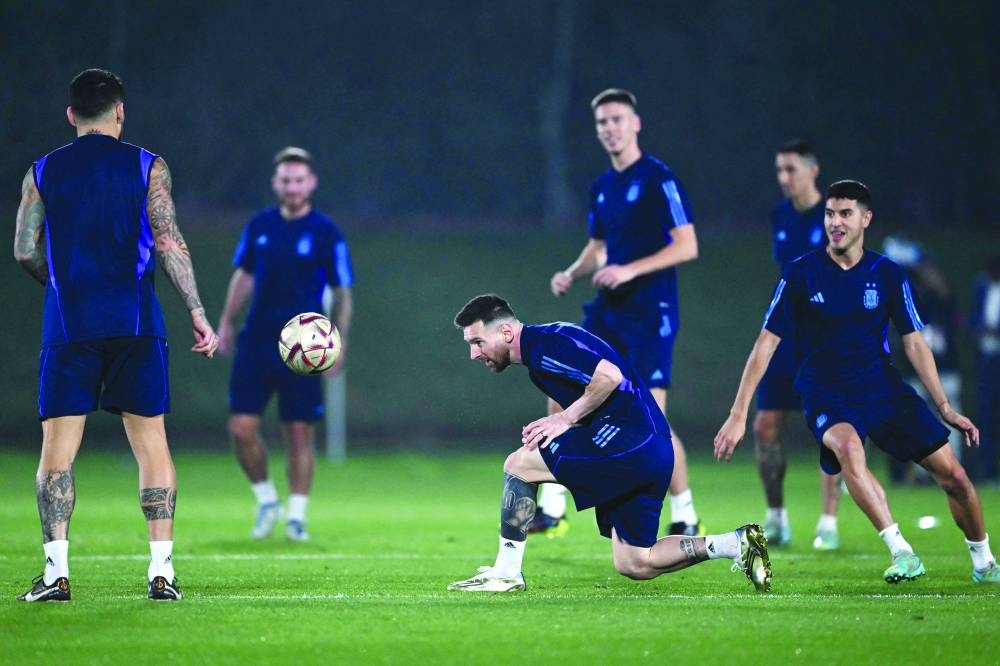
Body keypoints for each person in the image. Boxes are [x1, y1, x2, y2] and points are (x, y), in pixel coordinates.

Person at [714, 180, 999, 585]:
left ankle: (984, 562)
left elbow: (915, 344)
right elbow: (765, 344)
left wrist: (945, 407)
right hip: (824, 392)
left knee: (955, 477)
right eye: (830, 214)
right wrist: (738, 413)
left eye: (845, 214)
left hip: (882, 388)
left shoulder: (887, 273)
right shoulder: (801, 273)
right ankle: (902, 552)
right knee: (849, 450)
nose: (835, 222)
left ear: (866, 219)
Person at [14, 69, 219, 602]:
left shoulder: (42, 171)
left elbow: (24, 250)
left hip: (69, 324)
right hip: (136, 322)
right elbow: (169, 243)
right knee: (152, 443)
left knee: (58, 451)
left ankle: (56, 574)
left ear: (71, 114)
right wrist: (197, 310)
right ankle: (161, 573)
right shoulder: (149, 166)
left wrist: (60, 284)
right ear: (120, 111)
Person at [449, 294, 770, 593]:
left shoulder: (545, 345)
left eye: (478, 342)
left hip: (629, 441)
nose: (474, 354)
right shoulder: (543, 349)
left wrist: (565, 419)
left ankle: (506, 572)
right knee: (635, 562)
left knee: (519, 465)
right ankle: (734, 543)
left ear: (506, 332)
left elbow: (609, 376)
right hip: (653, 448)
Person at [543, 88, 702, 538]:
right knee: (559, 378)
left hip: (651, 313)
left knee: (651, 421)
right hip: (608, 313)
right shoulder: (602, 187)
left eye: (617, 119)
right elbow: (598, 247)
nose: (609, 128)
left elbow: (687, 245)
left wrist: (629, 270)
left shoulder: (659, 179)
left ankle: (686, 512)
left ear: (635, 124)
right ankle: (552, 505)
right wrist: (572, 273)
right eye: (602, 122)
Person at [217, 147, 353, 542]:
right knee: (241, 428)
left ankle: (296, 516)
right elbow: (245, 275)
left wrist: (339, 341)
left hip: (304, 348)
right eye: (285, 180)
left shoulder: (326, 231)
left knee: (298, 432)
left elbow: (342, 291)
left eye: (299, 180)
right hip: (257, 341)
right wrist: (226, 321)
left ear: (311, 183)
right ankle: (266, 501)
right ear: (275, 184)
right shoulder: (259, 226)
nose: (292, 187)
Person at [756, 141, 842, 549]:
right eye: (779, 169)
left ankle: (828, 522)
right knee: (765, 425)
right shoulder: (780, 215)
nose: (783, 177)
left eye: (790, 169)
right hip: (786, 337)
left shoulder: (834, 217)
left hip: (823, 340)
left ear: (813, 170)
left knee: (829, 429)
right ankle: (776, 518)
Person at [882, 236, 964, 484]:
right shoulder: (906, 294)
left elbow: (952, 317)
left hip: (944, 366)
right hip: (915, 368)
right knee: (915, 417)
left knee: (949, 414)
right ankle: (922, 472)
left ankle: (952, 468)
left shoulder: (940, 296)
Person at [970, 255, 1000, 485]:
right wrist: (979, 328)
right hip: (986, 360)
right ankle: (988, 471)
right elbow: (972, 318)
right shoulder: (981, 287)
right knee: (986, 416)